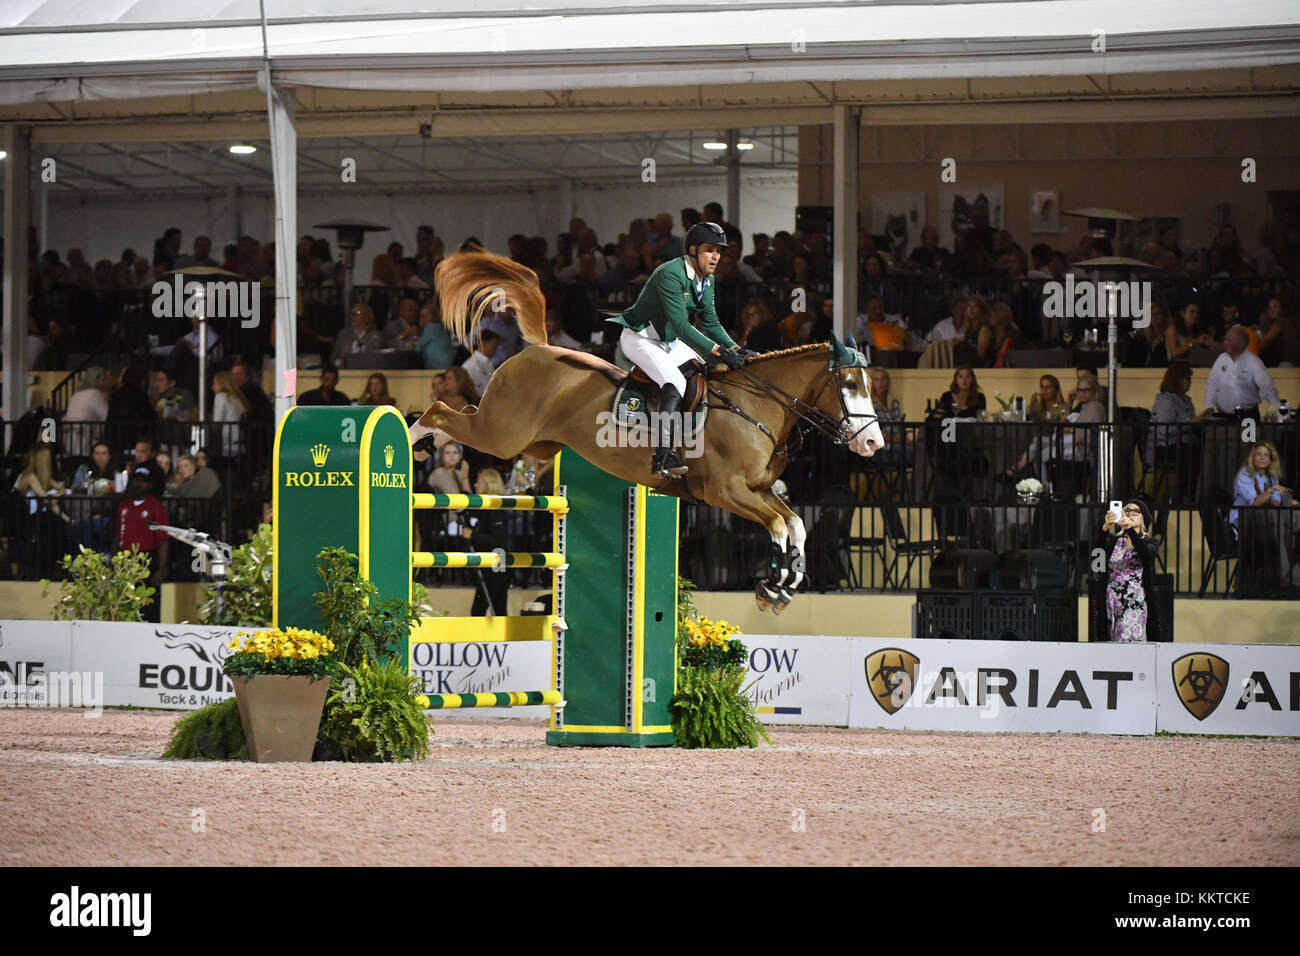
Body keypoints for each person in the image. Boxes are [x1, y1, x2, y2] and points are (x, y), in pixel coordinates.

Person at [607, 221, 751, 477]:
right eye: (710, 250)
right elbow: (682, 325)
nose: (716, 256)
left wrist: (735, 348)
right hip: (640, 338)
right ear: (693, 250)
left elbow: (711, 322)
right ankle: (663, 456)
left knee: (703, 370)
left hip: (668, 342)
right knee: (674, 381)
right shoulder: (670, 273)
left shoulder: (707, 281)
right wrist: (719, 350)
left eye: (719, 251)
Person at [116, 466, 170, 623]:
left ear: (150, 485)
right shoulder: (123, 506)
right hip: (126, 559)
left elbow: (163, 540)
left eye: (143, 481)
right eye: (136, 480)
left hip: (147, 559)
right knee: (125, 601)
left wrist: (160, 568)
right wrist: (114, 560)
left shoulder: (156, 507)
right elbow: (117, 535)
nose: (138, 484)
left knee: (149, 604)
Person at [1100, 501, 1159, 643]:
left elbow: (1146, 554)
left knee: (1130, 642)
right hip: (1112, 600)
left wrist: (1130, 530)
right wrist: (1105, 528)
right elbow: (1097, 556)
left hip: (1133, 601)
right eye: (1127, 511)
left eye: (1135, 511)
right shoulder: (1114, 541)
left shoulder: (1150, 542)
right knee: (1111, 641)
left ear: (1143, 517)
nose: (1130, 514)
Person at [462, 467, 511, 616]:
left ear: (488, 484)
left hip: (496, 565)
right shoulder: (487, 507)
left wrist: (473, 535)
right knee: (496, 608)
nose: (476, 485)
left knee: (484, 609)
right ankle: (500, 639)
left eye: (479, 481)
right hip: (493, 565)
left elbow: (500, 541)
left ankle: (493, 639)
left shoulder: (494, 508)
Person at [1205, 326, 1280, 419]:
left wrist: (1274, 406)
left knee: (1250, 434)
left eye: (1229, 341)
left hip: (1248, 416)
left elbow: (1267, 385)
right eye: (1225, 340)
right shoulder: (1221, 359)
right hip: (1224, 417)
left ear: (1240, 344)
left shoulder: (1253, 361)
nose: (1225, 343)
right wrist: (1210, 405)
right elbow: (1212, 385)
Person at [1230, 442, 1298, 529]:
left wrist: (1290, 502)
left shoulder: (1271, 477)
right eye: (1258, 454)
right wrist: (1272, 489)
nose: (1262, 458)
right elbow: (1255, 503)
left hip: (1262, 520)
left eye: (1266, 455)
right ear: (1253, 457)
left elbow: (1275, 503)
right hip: (1241, 521)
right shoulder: (1244, 475)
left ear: (1270, 460)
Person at [331, 303, 386, 367]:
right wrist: (339, 362)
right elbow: (334, 357)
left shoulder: (375, 335)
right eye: (352, 314)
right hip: (347, 372)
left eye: (357, 313)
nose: (353, 317)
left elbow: (382, 357)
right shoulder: (343, 334)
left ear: (367, 316)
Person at [461, 329, 499, 397]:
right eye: (494, 346)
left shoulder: (488, 363)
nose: (496, 350)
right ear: (483, 344)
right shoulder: (469, 366)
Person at [416, 302, 455, 369]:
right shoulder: (441, 327)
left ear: (434, 316)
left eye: (427, 315)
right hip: (447, 364)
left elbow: (418, 349)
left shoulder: (431, 327)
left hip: (436, 365)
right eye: (421, 316)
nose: (423, 318)